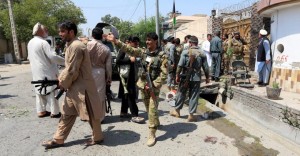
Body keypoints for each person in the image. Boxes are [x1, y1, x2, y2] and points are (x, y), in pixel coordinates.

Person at [42, 21, 104, 149]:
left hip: (83, 87)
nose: (60, 34)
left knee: (91, 114)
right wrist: (62, 80)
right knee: (67, 113)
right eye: (60, 31)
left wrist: (62, 83)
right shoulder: (70, 45)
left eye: (63, 31)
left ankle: (97, 137)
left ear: (71, 32)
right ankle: (59, 139)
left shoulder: (77, 46)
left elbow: (72, 70)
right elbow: (69, 68)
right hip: (74, 87)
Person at [105, 32, 167, 147]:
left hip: (154, 87)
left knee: (153, 109)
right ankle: (156, 122)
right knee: (149, 108)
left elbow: (164, 74)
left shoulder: (162, 55)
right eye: (147, 40)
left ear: (155, 41)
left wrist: (154, 84)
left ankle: (152, 133)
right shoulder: (143, 52)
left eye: (150, 40)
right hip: (143, 85)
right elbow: (130, 49)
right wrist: (115, 41)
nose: (147, 42)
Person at [27, 22, 65, 118]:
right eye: (45, 29)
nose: (47, 31)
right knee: (51, 91)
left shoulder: (30, 42)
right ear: (40, 31)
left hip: (36, 72)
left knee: (39, 91)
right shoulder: (43, 43)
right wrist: (66, 62)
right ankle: (55, 112)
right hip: (46, 72)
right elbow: (52, 56)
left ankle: (41, 111)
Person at [170, 36, 210, 122]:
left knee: (181, 93)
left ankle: (177, 111)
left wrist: (177, 75)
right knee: (194, 96)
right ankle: (191, 115)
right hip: (196, 78)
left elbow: (180, 66)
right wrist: (207, 78)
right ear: (197, 43)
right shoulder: (202, 53)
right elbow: (206, 68)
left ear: (190, 43)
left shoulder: (185, 52)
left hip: (185, 77)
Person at [116, 36, 144, 123]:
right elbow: (118, 61)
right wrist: (129, 60)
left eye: (138, 43)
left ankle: (123, 112)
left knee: (126, 95)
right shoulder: (124, 50)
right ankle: (135, 115)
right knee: (131, 95)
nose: (137, 44)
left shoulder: (134, 50)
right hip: (126, 77)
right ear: (130, 42)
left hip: (132, 76)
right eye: (135, 43)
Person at [87, 27, 112, 122]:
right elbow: (108, 66)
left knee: (89, 94)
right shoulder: (106, 49)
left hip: (88, 71)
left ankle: (90, 115)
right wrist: (109, 78)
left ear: (92, 35)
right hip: (100, 72)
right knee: (100, 94)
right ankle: (100, 117)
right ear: (102, 36)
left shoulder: (86, 45)